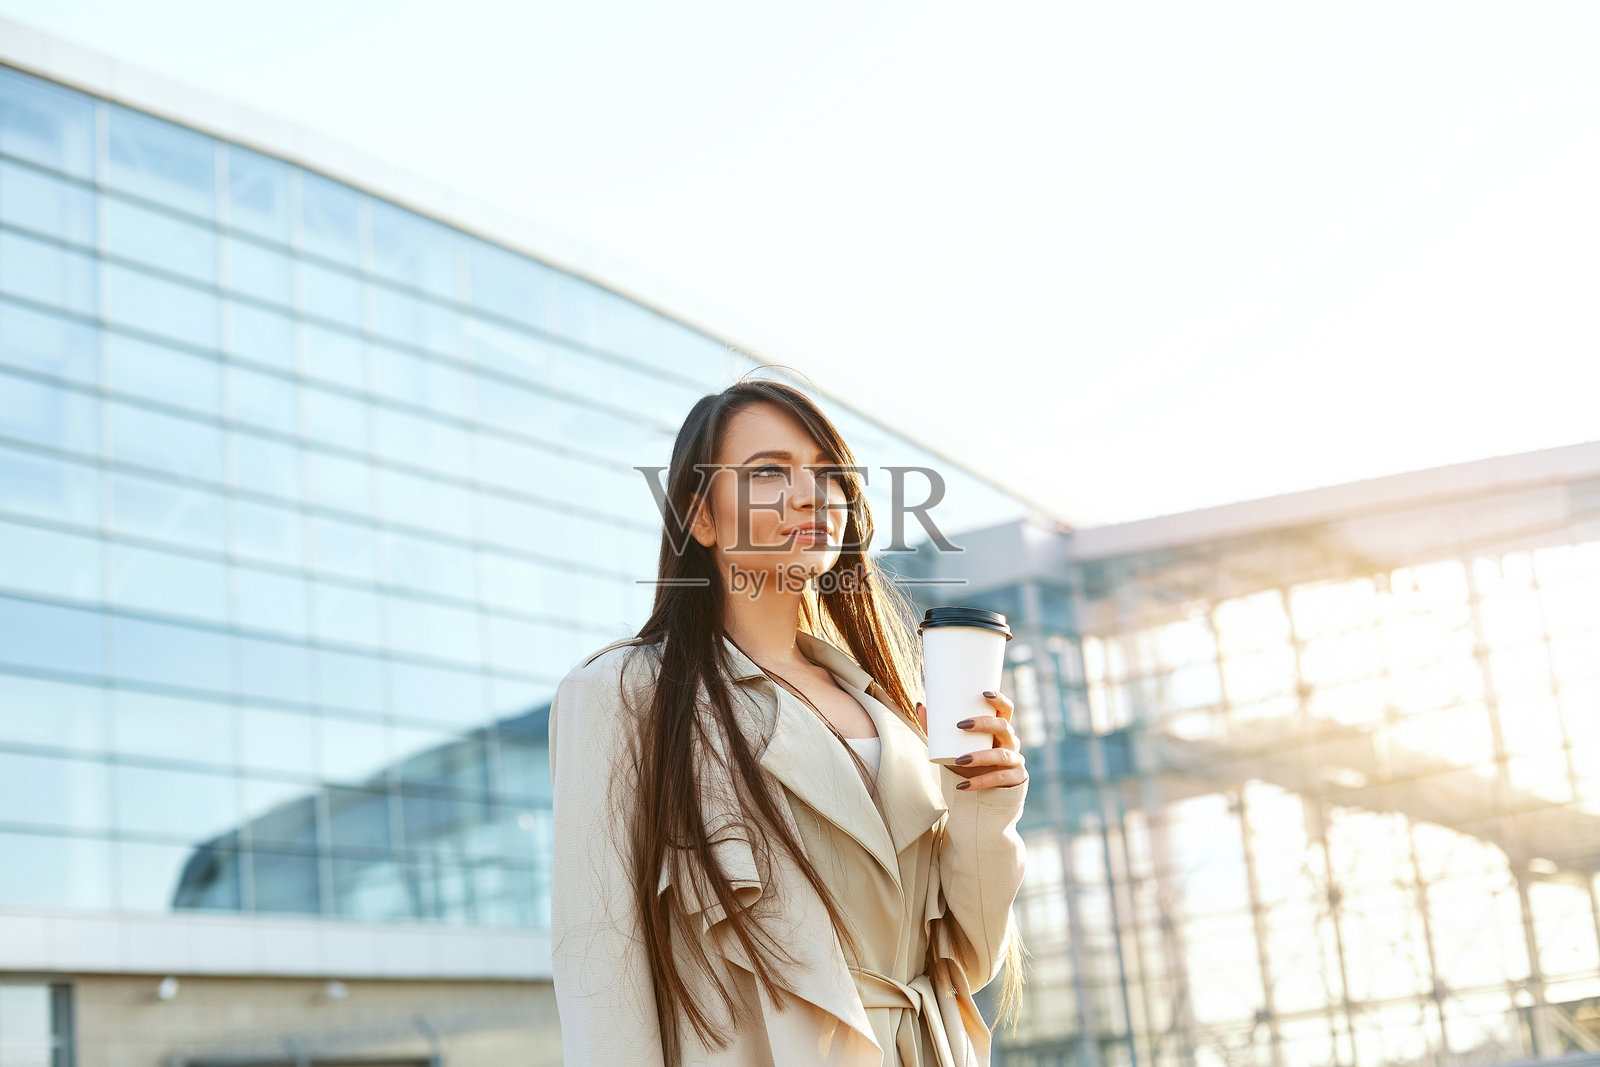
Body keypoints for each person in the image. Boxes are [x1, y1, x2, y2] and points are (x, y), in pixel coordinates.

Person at [548, 376, 1029, 1066]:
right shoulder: (627, 693)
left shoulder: (890, 709)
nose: (813, 494)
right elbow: (601, 973)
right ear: (701, 519)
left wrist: (985, 811)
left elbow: (965, 961)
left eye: (828, 473)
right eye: (770, 471)